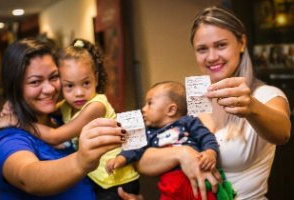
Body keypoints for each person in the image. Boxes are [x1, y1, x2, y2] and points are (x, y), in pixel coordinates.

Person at [121, 6, 291, 200]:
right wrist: (182, 153)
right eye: (202, 49)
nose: (211, 57)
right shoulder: (194, 96)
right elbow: (142, 159)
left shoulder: (266, 95)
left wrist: (251, 107)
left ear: (242, 42)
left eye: (221, 45)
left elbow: (282, 133)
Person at [0, 37, 125, 199]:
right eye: (35, 82)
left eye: (54, 77)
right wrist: (80, 161)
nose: (49, 89)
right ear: (16, 87)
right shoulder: (10, 138)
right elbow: (27, 178)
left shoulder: (61, 118)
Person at [31, 38, 140, 200]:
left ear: (95, 78)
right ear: (60, 83)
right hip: (97, 177)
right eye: (69, 85)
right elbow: (45, 110)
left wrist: (19, 122)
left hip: (117, 180)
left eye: (86, 83)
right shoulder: (67, 105)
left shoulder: (96, 106)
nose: (79, 93)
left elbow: (56, 137)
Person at [107, 81, 235, 200]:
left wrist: (210, 153)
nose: (144, 109)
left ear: (171, 110)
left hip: (196, 180)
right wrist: (120, 159)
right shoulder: (149, 132)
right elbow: (135, 150)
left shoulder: (188, 122)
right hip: (169, 186)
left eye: (149, 103)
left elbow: (206, 136)